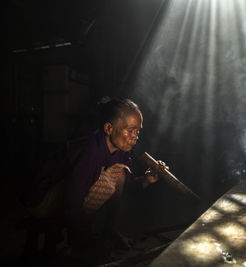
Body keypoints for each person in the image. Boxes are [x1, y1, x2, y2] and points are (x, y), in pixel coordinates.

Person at [20, 97, 167, 261]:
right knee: (108, 178)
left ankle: (105, 230)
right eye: (130, 130)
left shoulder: (122, 151)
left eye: (137, 131)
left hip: (68, 197)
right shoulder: (90, 153)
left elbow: (127, 186)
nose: (135, 136)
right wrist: (80, 242)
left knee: (120, 174)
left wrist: (148, 179)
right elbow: (72, 202)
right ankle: (67, 235)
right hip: (40, 199)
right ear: (109, 128)